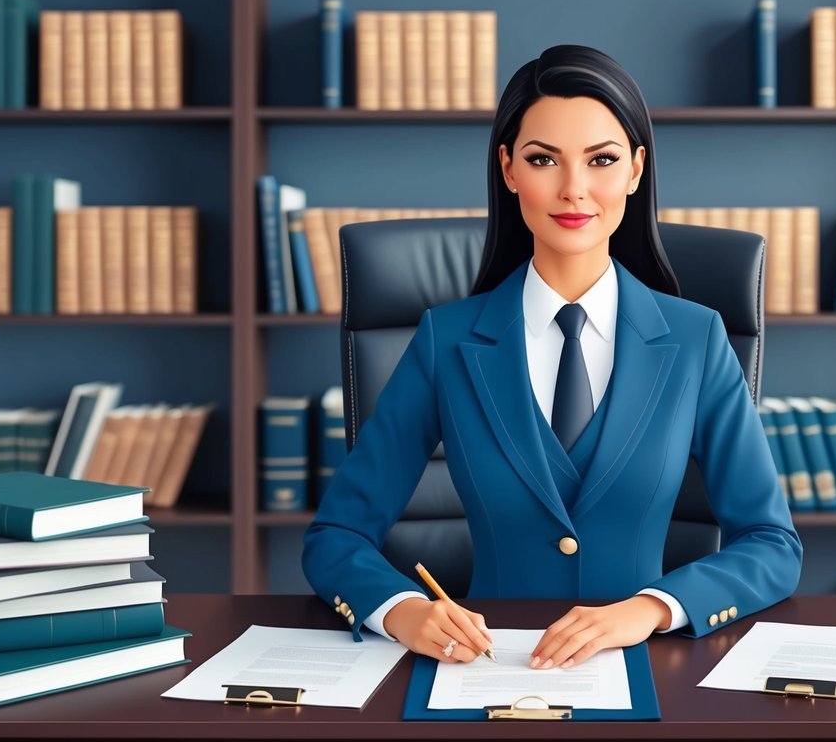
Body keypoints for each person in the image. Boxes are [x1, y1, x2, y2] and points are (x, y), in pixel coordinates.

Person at [302, 44, 801, 670]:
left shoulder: (697, 339)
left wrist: (650, 607)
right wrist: (402, 609)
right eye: (543, 160)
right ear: (508, 168)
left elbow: (772, 544)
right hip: (483, 672)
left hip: (646, 669)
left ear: (636, 170)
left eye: (602, 160)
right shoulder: (445, 340)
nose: (574, 190)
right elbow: (336, 536)